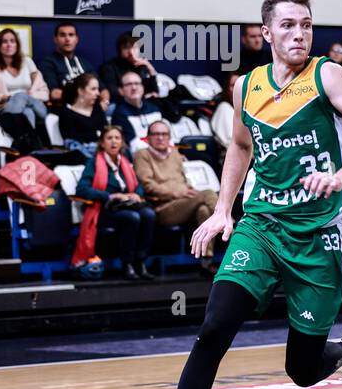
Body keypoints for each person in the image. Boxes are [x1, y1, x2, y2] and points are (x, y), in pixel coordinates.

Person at [114, 0, 342, 389]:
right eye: (288, 25)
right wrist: (222, 210)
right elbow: (241, 146)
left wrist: (339, 175)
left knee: (302, 370)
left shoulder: (328, 74)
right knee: (215, 327)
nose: (299, 33)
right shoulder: (246, 87)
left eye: (306, 24)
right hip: (260, 225)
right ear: (266, 33)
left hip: (320, 234)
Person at [133, 120, 220, 274]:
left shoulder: (174, 153)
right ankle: (230, 227)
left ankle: (206, 261)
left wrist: (188, 190)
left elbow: (184, 181)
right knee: (207, 193)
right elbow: (148, 185)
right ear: (148, 138)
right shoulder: (142, 155)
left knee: (204, 211)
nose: (160, 138)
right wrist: (176, 193)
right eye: (156, 134)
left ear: (169, 137)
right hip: (162, 208)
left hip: (184, 204)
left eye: (164, 134)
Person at [74, 125, 155, 280]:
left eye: (117, 138)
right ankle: (127, 264)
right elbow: (82, 189)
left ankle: (141, 261)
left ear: (122, 142)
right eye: (109, 138)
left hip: (127, 206)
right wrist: (110, 196)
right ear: (102, 143)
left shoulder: (125, 162)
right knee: (132, 217)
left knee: (148, 214)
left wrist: (136, 195)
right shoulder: (93, 163)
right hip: (104, 210)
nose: (113, 142)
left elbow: (138, 186)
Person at [0, 27, 49, 138]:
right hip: (6, 107)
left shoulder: (27, 61)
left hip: (35, 104)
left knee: (22, 98)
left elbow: (43, 91)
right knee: (27, 112)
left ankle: (21, 145)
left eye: (12, 41)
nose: (9, 45)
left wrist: (29, 96)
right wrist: (3, 97)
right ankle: (28, 145)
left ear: (17, 44)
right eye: (4, 41)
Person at [58, 72, 108, 159]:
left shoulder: (97, 108)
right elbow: (72, 140)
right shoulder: (66, 113)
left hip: (104, 151)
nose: (98, 93)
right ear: (80, 91)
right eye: (93, 89)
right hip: (83, 155)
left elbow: (106, 130)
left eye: (98, 89)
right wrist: (97, 135)